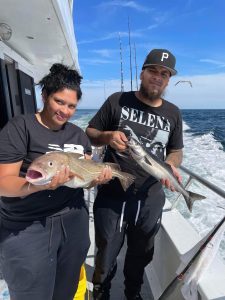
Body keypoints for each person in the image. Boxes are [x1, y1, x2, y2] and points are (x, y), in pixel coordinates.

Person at [0, 63, 111, 300]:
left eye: (71, 106)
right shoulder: (20, 128)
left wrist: (97, 179)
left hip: (73, 220)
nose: (65, 111)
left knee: (66, 289)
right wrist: (37, 185)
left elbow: (86, 177)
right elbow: (3, 182)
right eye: (59, 102)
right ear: (44, 96)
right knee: (31, 291)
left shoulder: (78, 135)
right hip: (28, 224)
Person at [86, 49, 183, 300]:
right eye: (153, 71)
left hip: (150, 197)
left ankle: (133, 293)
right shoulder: (117, 100)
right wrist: (107, 136)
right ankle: (101, 292)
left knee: (141, 254)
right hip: (112, 193)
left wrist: (171, 165)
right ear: (142, 73)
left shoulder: (173, 113)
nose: (158, 77)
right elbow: (91, 132)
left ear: (169, 80)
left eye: (164, 74)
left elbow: (176, 150)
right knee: (106, 252)